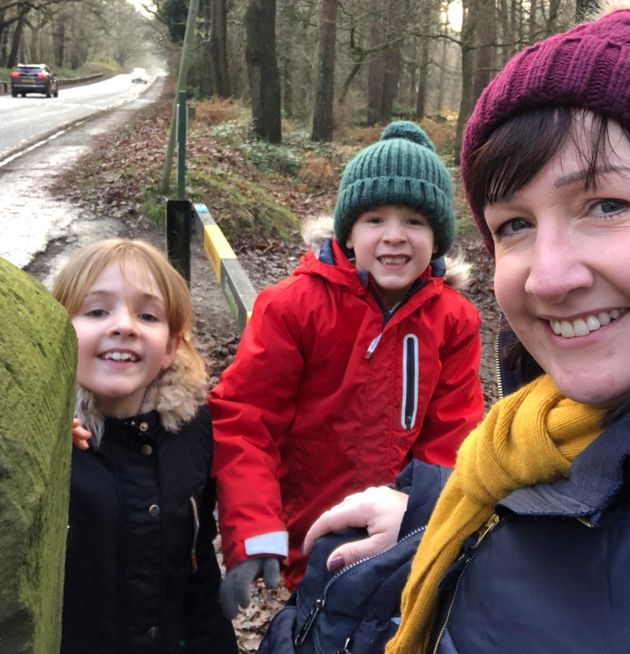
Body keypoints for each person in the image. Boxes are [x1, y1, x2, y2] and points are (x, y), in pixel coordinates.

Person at [303, 5, 630, 653]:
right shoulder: (532, 438)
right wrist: (438, 520)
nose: (548, 277)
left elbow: (451, 426)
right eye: (514, 224)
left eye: (607, 205)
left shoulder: (454, 318)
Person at [210, 120, 485, 617]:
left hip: (400, 547)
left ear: (438, 237)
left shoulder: (454, 320)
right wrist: (254, 532)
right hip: (308, 539)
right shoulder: (292, 307)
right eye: (375, 219)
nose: (395, 237)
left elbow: (452, 440)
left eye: (415, 222)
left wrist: (421, 528)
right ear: (348, 231)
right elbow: (246, 420)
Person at [53, 239, 238, 654]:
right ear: (57, 331)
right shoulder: (43, 441)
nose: (124, 326)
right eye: (97, 311)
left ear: (171, 346)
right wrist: (37, 431)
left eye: (148, 315)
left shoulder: (192, 431)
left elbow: (197, 561)